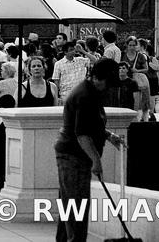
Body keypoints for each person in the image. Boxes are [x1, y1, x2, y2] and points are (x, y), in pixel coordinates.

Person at [54, 58, 125, 242]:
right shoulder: (85, 95)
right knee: (76, 206)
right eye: (108, 84)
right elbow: (82, 134)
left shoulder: (91, 92)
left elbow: (91, 125)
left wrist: (108, 136)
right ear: (98, 78)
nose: (109, 88)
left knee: (69, 206)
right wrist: (96, 161)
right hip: (73, 156)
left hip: (73, 155)